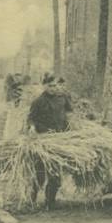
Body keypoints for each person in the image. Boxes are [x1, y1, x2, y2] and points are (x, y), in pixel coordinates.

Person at [27, 75, 73, 209]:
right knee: (40, 174)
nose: (53, 88)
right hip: (43, 140)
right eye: (50, 86)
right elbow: (31, 118)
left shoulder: (62, 99)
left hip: (59, 139)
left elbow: (70, 113)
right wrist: (31, 127)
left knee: (56, 175)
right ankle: (32, 199)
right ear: (44, 86)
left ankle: (49, 202)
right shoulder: (38, 102)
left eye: (55, 85)